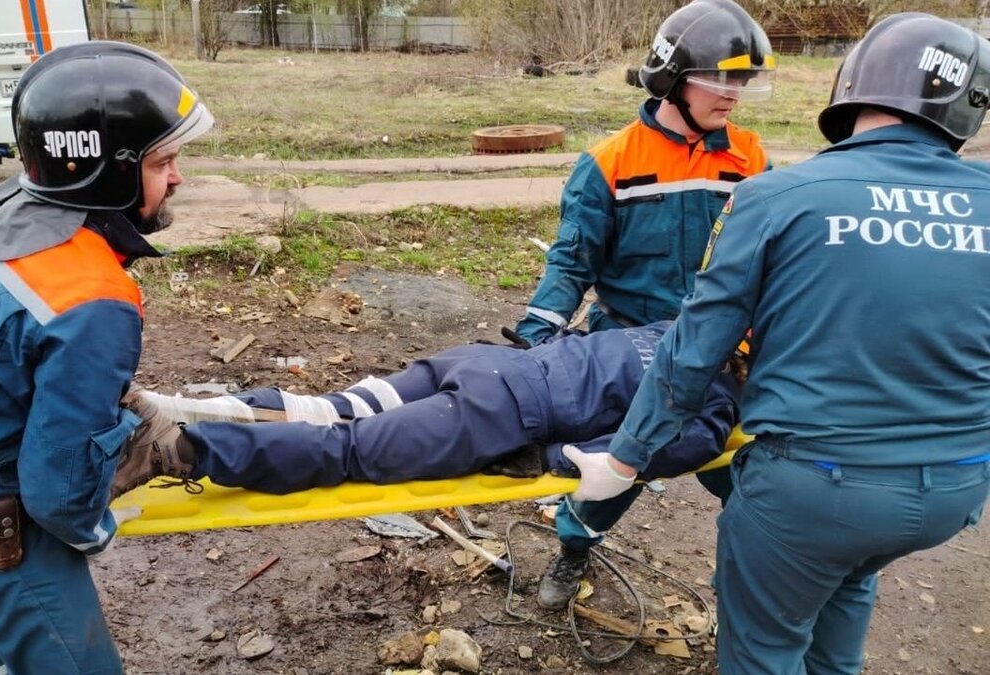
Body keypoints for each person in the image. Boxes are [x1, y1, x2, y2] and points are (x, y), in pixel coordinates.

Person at [582, 13, 990, 674]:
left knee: (766, 648)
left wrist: (625, 459)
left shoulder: (775, 194)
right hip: (957, 488)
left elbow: (694, 348)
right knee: (848, 577)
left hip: (815, 491)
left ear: (852, 86)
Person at [0, 42, 212, 674]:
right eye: (163, 161)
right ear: (108, 171)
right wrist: (95, 530)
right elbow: (57, 495)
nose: (178, 178)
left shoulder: (1, 210)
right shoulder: (92, 298)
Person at [512, 0, 776, 608]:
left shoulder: (751, 160)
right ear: (673, 77)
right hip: (631, 349)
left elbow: (774, 259)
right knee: (612, 470)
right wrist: (534, 340)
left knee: (749, 478)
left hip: (721, 353)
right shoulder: (610, 163)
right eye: (721, 78)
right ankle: (574, 547)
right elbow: (572, 262)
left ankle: (754, 584)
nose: (734, 94)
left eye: (743, 81)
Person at [111, 322, 741, 515]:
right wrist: (547, 461)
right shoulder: (717, 403)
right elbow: (626, 458)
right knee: (346, 450)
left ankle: (173, 410)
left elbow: (589, 340)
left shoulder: (682, 327)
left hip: (483, 362)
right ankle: (176, 449)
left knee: (334, 408)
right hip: (501, 409)